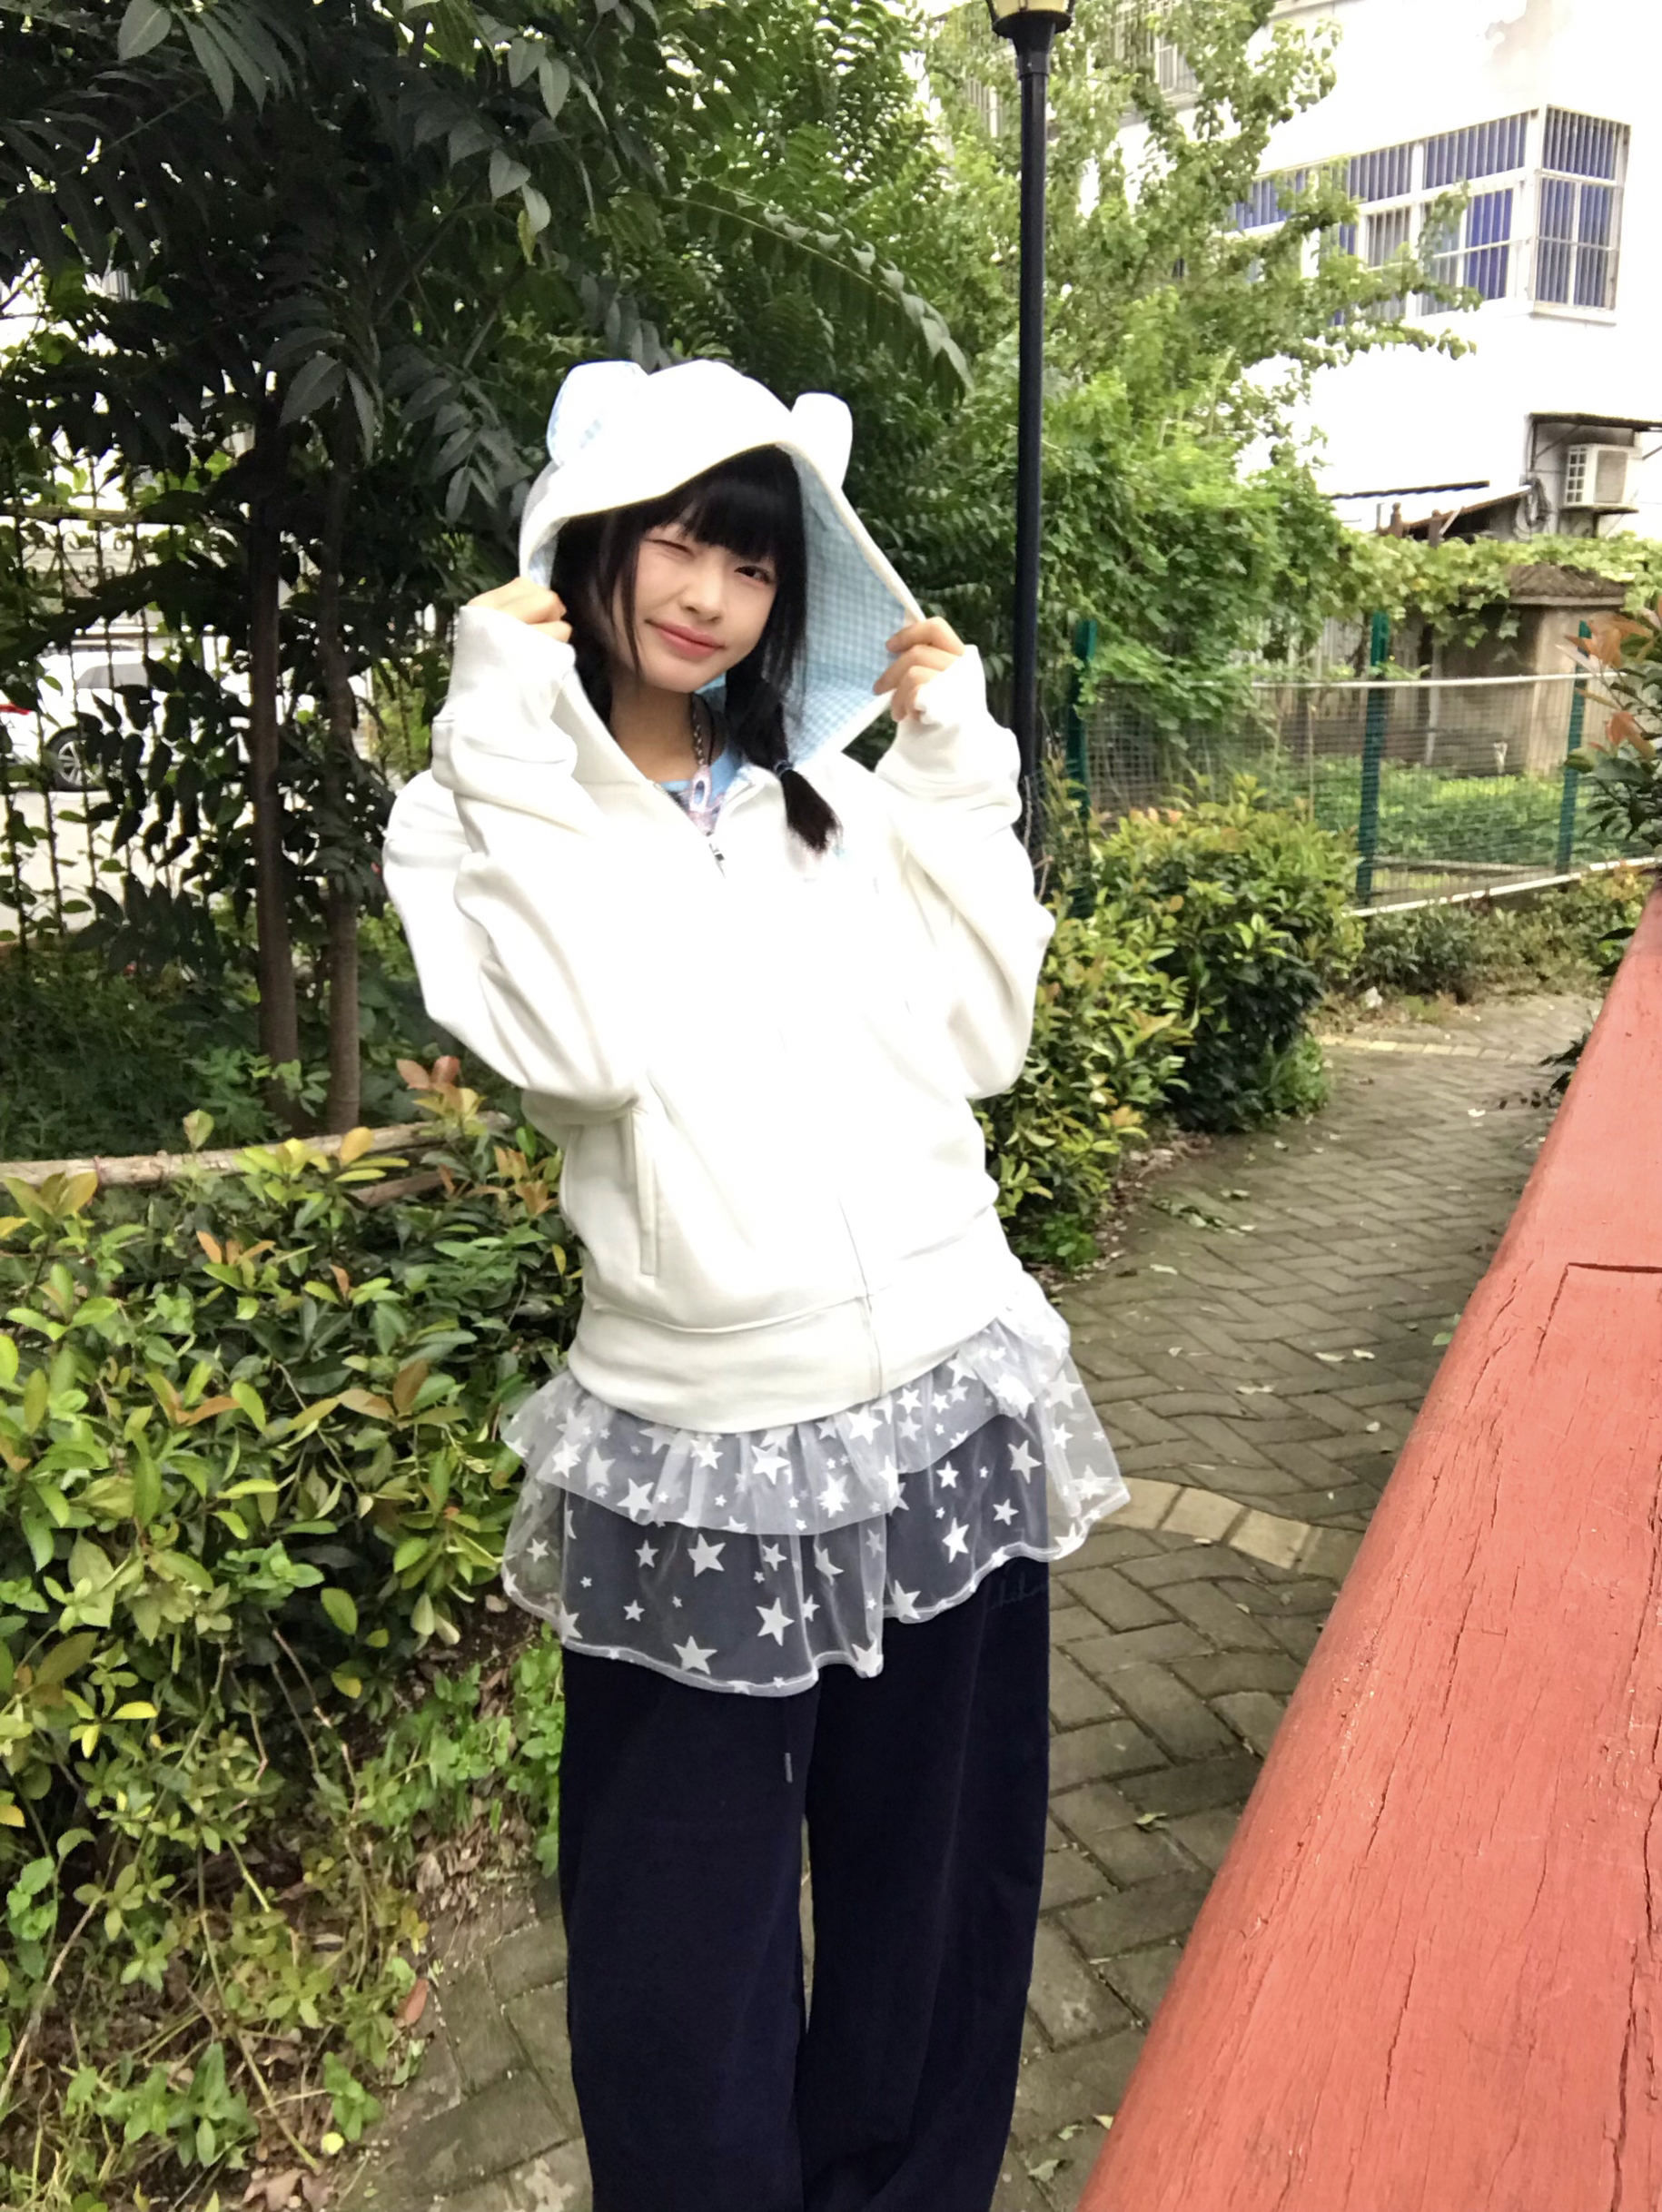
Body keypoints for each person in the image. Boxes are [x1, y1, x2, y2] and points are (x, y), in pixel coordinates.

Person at [383, 357, 1128, 2212]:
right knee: (677, 1946)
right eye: (676, 541)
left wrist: (951, 777)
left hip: (946, 1386)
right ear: (593, 543)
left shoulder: (828, 808)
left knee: (932, 1895)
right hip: (703, 1441)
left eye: (753, 560)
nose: (708, 594)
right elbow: (581, 1054)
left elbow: (982, 1039)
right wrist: (503, 739)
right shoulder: (477, 819)